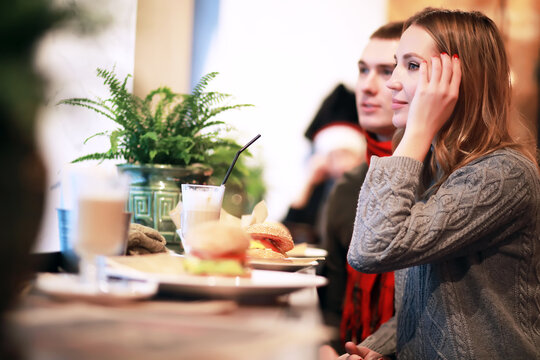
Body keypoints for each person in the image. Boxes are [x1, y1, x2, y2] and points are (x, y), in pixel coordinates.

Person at [325, 7, 540, 360]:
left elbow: (370, 249)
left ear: (459, 80)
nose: (392, 81)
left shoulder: (504, 173)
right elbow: (427, 303)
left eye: (410, 66)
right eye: (397, 63)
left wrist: (418, 130)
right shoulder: (433, 169)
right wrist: (377, 348)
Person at [317, 22, 403, 354]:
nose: (366, 87)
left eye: (386, 71)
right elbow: (333, 301)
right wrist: (326, 348)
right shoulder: (349, 186)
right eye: (363, 70)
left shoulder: (443, 182)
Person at [283, 84, 366, 245]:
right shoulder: (319, 188)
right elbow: (285, 236)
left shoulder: (366, 188)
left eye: (346, 154)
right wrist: (308, 184)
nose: (341, 165)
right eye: (334, 155)